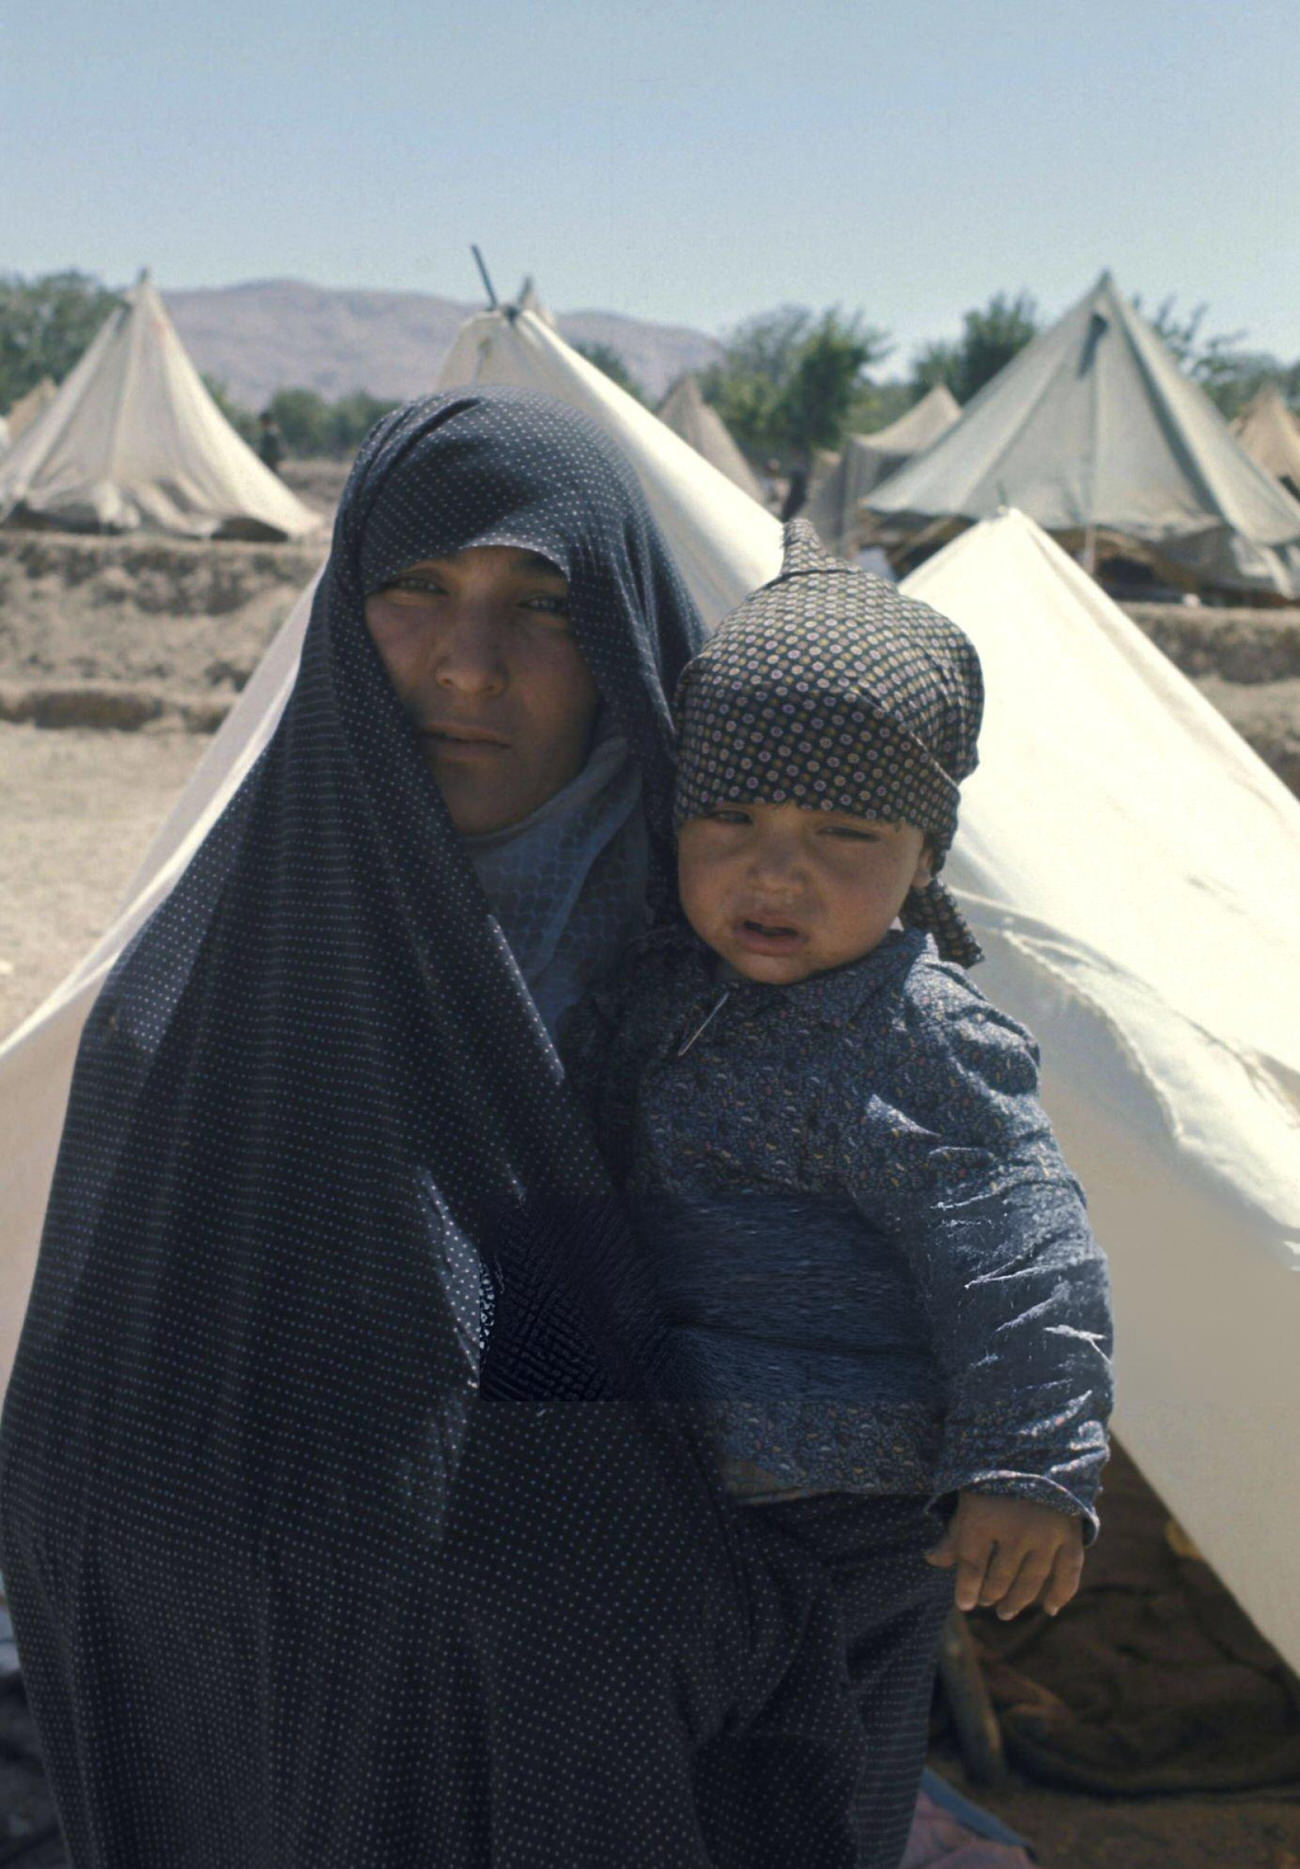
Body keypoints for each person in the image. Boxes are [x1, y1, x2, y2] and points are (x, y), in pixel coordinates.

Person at [0, 392, 890, 1868]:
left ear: (613, 630)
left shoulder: (740, 982)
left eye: (539, 606)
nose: (467, 665)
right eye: (416, 589)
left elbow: (838, 1434)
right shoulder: (216, 972)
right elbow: (99, 1426)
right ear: (348, 617)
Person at [560, 519, 1115, 1869]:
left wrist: (1030, 1461)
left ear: (925, 858)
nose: (774, 869)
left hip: (858, 1531)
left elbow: (1023, 1252)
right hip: (681, 1510)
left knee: (830, 1805)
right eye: (731, 818)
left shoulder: (919, 1037)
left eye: (842, 831)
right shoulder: (656, 993)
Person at [257, 407, 284, 474]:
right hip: (271, 463)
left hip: (269, 463)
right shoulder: (273, 432)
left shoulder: (270, 434)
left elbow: (269, 451)